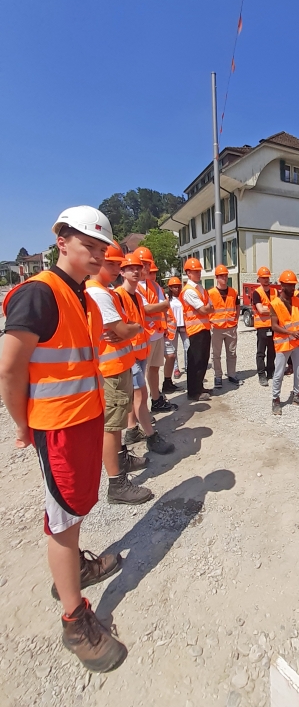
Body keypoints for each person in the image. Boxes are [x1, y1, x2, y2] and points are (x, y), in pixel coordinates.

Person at [0, 205, 127, 672]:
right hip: (57, 426)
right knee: (63, 516)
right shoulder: (39, 295)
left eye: (101, 249)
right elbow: (10, 369)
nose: (96, 255)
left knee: (75, 507)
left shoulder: (84, 298)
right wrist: (21, 425)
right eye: (88, 246)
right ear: (62, 243)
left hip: (83, 419)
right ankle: (75, 621)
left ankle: (75, 571)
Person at [86, 242, 152, 506]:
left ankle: (121, 458)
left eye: (116, 263)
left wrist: (129, 327)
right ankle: (117, 484)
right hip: (110, 369)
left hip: (120, 364)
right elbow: (126, 329)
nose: (115, 268)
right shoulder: (100, 294)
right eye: (111, 263)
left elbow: (127, 325)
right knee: (112, 426)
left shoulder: (108, 292)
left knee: (119, 420)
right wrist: (132, 327)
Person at [116, 255, 175, 456]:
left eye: (137, 268)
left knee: (137, 395)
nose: (135, 271)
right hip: (128, 353)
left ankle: (132, 431)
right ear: (121, 272)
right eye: (129, 268)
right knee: (139, 394)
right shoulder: (119, 296)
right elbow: (121, 328)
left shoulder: (137, 296)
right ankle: (151, 436)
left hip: (140, 351)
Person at [133, 247, 177, 413]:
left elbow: (163, 306)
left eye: (147, 264)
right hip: (143, 336)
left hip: (157, 334)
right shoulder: (135, 286)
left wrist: (157, 307)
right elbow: (146, 309)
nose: (145, 267)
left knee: (154, 369)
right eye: (142, 263)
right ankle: (141, 409)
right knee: (140, 373)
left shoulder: (154, 285)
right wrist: (158, 306)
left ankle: (156, 399)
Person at [269, 270, 299, 415]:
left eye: (294, 285)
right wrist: (290, 333)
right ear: (282, 285)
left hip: (298, 342)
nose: (293, 288)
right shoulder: (275, 303)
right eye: (290, 286)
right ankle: (275, 400)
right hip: (283, 343)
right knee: (279, 373)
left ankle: (297, 395)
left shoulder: (298, 300)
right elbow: (274, 325)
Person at [181, 257, 213, 401]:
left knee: (203, 360)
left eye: (199, 271)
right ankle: (193, 391)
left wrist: (207, 308)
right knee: (196, 361)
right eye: (195, 271)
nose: (198, 273)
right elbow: (203, 309)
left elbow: (210, 307)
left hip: (204, 328)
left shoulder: (200, 288)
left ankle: (199, 386)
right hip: (195, 330)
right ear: (188, 273)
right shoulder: (189, 291)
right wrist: (207, 308)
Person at [208, 264, 241, 388]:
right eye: (221, 276)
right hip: (216, 328)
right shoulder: (210, 293)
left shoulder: (233, 292)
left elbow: (237, 307)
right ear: (216, 277)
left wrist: (236, 320)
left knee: (232, 353)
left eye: (226, 276)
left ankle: (231, 374)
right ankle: (218, 376)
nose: (224, 278)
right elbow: (207, 309)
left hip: (231, 327)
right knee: (216, 354)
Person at [252, 266, 277, 387]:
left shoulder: (275, 291)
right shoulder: (257, 293)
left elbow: (279, 307)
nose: (266, 280)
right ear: (259, 279)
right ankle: (261, 375)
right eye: (263, 278)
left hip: (273, 325)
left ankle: (270, 371)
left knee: (272, 350)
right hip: (262, 326)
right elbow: (261, 310)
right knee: (261, 352)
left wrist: (269, 309)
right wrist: (272, 309)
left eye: (267, 277)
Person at [165, 276, 188, 379]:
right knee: (173, 350)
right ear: (170, 288)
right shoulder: (167, 299)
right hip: (173, 327)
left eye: (178, 286)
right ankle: (176, 369)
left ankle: (188, 366)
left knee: (188, 347)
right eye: (174, 287)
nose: (177, 289)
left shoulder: (183, 297)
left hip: (184, 326)